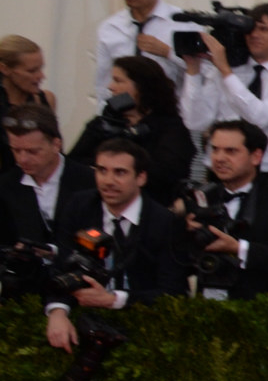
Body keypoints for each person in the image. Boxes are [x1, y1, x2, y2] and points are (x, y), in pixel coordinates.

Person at [44, 139, 186, 352]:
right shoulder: (79, 205)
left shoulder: (165, 222)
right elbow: (60, 266)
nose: (108, 181)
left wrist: (113, 300)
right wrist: (57, 311)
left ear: (141, 177)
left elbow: (173, 292)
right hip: (84, 319)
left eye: (119, 173)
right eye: (101, 170)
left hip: (144, 327)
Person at [182, 119, 268, 299]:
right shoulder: (202, 197)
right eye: (215, 149)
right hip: (206, 307)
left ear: (256, 156)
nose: (219, 158)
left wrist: (240, 249)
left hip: (260, 308)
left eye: (231, 151)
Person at [179, 4, 268, 175]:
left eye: (264, 29)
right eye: (251, 29)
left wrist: (225, 71)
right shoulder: (229, 71)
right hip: (219, 173)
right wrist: (193, 70)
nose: (254, 35)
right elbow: (195, 121)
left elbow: (260, 117)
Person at [68, 55, 194, 205]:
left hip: (151, 208)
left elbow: (167, 174)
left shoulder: (171, 128)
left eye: (118, 81)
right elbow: (74, 164)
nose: (110, 87)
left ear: (141, 87)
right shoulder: (103, 123)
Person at [93, 0, 196, 100]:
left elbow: (204, 75)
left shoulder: (182, 24)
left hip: (171, 116)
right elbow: (103, 85)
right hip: (123, 117)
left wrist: (169, 53)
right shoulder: (110, 28)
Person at [1, 106, 96, 254]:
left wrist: (56, 253)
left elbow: (97, 236)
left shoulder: (89, 181)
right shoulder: (6, 186)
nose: (22, 159)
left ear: (56, 145)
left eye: (33, 151)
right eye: (16, 150)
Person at [0, 36, 56, 174]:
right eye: (32, 71)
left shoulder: (46, 100)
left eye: (40, 68)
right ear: (5, 69)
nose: (41, 76)